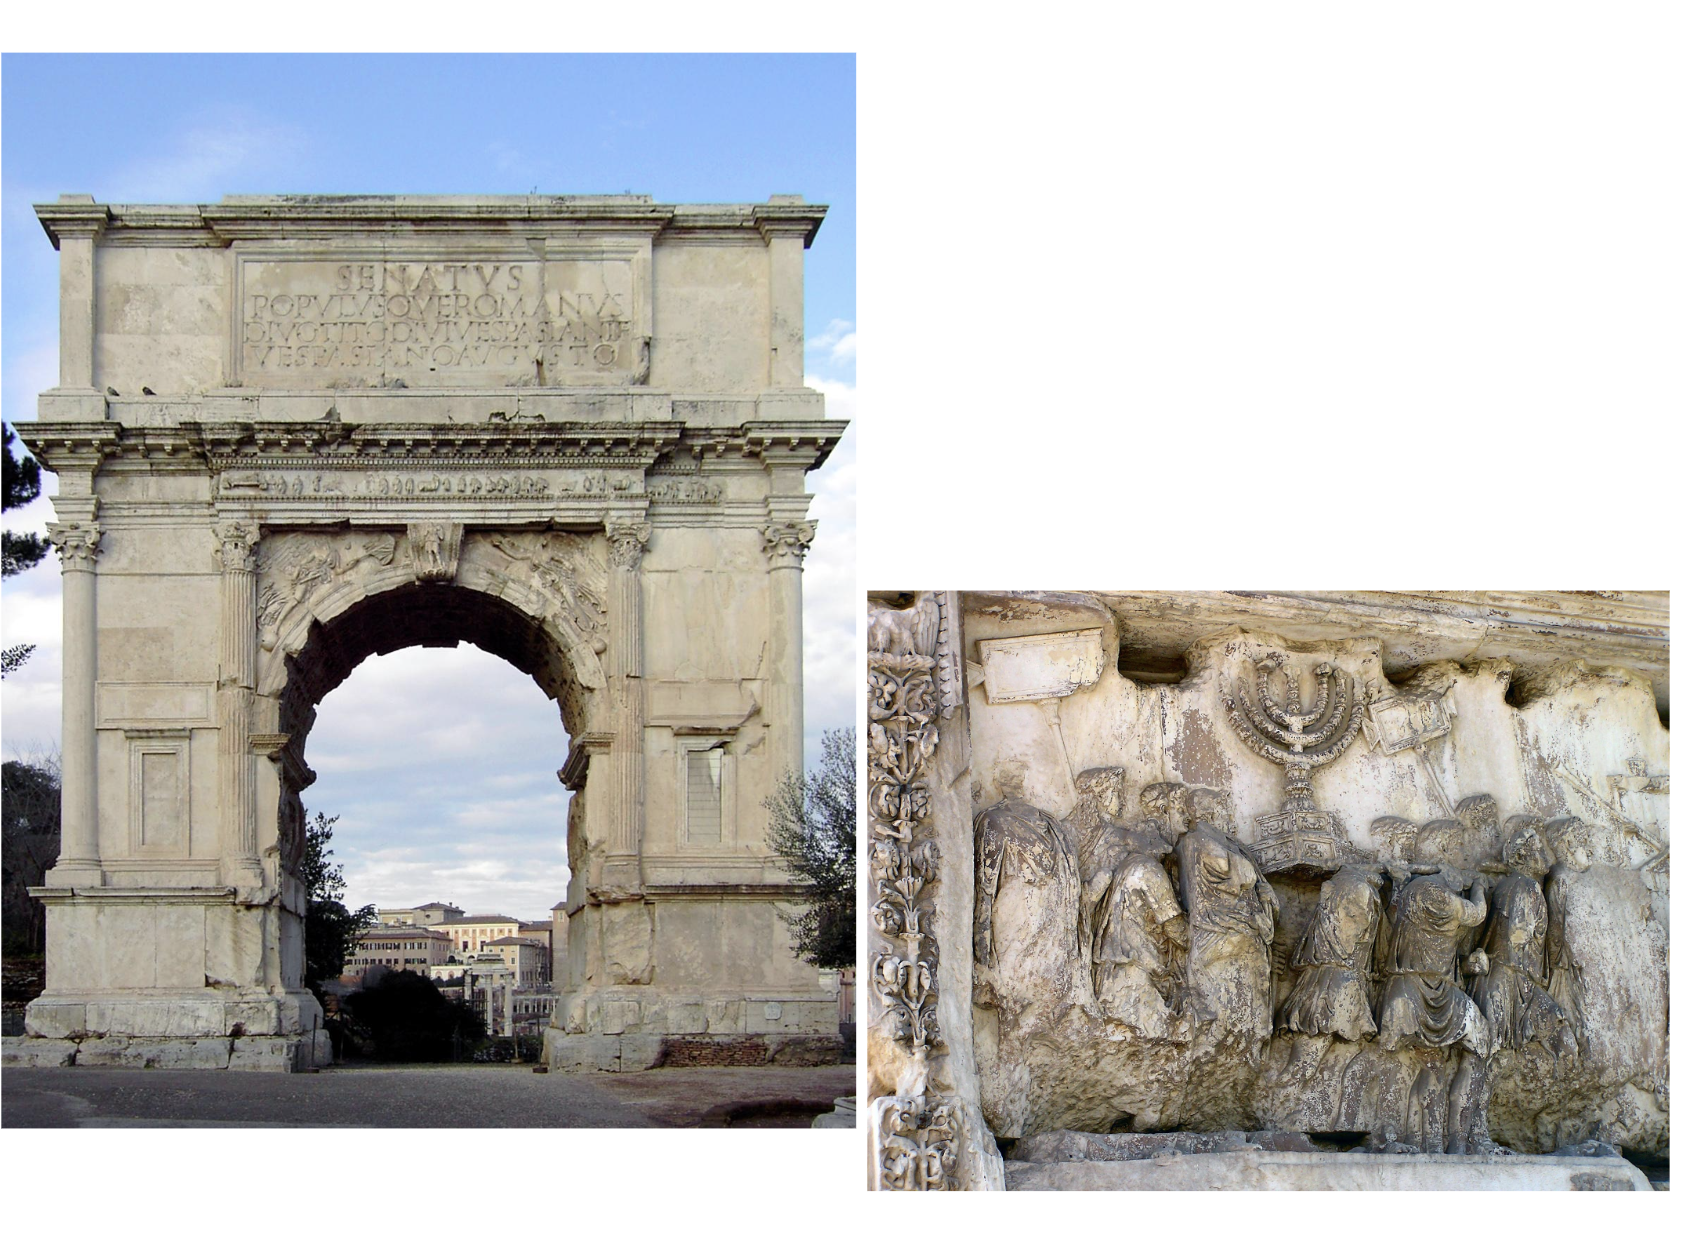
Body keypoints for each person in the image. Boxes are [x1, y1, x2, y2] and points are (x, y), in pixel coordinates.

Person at [1375, 862, 1495, 1152]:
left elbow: (1443, 952)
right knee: (1478, 1042)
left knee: (1436, 1065)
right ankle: (1455, 1139)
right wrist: (1479, 885)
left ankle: (1434, 1142)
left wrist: (1469, 965)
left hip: (1433, 988)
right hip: (1417, 991)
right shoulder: (1432, 893)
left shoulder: (1409, 893)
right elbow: (1476, 914)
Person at [1176, 787, 1278, 1050]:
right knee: (1239, 991)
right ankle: (1235, 1043)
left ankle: (1237, 1043)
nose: (1227, 813)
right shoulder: (1200, 840)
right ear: (1208, 811)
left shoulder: (1203, 842)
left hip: (1221, 928)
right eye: (1222, 807)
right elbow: (1238, 873)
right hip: (1225, 927)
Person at [1279, 865, 1383, 1041]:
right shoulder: (1342, 982)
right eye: (1355, 913)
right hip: (1335, 981)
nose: (1366, 925)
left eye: (1370, 913)